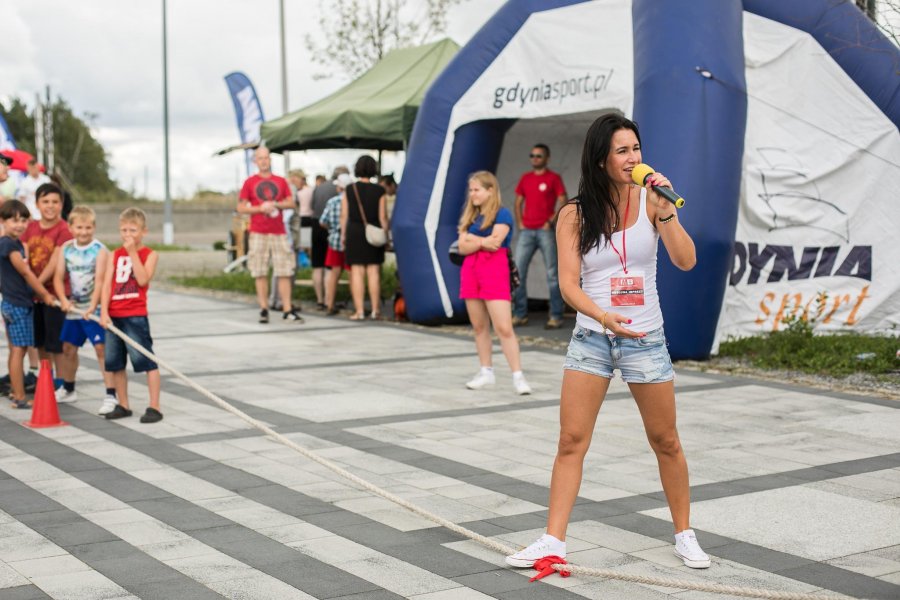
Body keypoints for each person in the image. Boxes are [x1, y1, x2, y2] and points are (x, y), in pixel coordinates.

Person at [505, 114, 707, 570]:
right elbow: (570, 285)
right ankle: (552, 539)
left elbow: (686, 260)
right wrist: (601, 316)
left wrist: (666, 208)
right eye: (622, 151)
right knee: (571, 440)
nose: (633, 158)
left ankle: (685, 534)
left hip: (645, 337)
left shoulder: (654, 201)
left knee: (666, 440)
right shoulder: (574, 214)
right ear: (600, 160)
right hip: (593, 336)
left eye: (636, 148)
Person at [456, 171, 532, 395]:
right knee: (479, 327)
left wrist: (472, 240)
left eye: (477, 189)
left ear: (490, 191)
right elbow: (462, 247)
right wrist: (481, 241)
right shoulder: (470, 216)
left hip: (494, 271)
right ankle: (486, 371)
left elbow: (495, 243)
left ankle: (518, 376)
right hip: (471, 271)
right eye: (471, 190)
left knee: (503, 328)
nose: (473, 194)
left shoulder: (503, 214)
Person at [100, 208, 163, 423]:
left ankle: (154, 406)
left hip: (135, 315)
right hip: (114, 315)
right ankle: (123, 404)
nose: (127, 234)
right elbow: (107, 284)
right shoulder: (114, 255)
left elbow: (143, 279)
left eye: (132, 230)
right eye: (123, 230)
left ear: (143, 231)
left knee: (146, 360)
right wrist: (104, 312)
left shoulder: (150, 254)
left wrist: (133, 252)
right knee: (115, 362)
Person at [52, 205, 117, 413]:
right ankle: (69, 389)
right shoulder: (66, 249)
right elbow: (58, 277)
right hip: (74, 308)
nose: (84, 232)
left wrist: (92, 306)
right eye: (79, 227)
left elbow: (100, 281)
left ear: (94, 227)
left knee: (101, 350)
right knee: (68, 348)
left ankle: (111, 394)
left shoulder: (100, 250)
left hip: (94, 309)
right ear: (70, 227)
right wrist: (63, 299)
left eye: (88, 228)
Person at [237, 147, 303, 323]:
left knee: (284, 270)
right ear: (255, 161)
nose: (264, 161)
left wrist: (275, 205)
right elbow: (241, 207)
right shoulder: (249, 182)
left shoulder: (281, 181)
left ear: (270, 160)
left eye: (266, 158)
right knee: (260, 270)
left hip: (278, 231)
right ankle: (264, 308)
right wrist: (259, 208)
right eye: (260, 158)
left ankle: (287, 309)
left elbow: (291, 203)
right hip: (258, 231)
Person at [0, 200, 55, 409]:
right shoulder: (8, 244)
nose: (19, 225)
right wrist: (44, 293)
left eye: (23, 220)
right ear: (3, 221)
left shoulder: (11, 243)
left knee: (16, 349)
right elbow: (24, 272)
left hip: (10, 303)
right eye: (14, 220)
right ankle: (20, 396)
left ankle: (16, 391)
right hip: (18, 305)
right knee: (19, 350)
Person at [21, 183, 72, 399]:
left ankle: (61, 383)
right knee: (40, 341)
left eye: (55, 202)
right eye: (45, 202)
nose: (50, 206)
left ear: (61, 205)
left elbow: (55, 261)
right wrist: (32, 288)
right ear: (37, 204)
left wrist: (37, 286)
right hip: (34, 295)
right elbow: (23, 254)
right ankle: (46, 378)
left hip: (54, 295)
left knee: (56, 343)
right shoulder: (30, 227)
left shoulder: (64, 229)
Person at [512, 143, 567, 330]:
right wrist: (519, 222)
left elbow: (563, 200)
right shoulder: (525, 178)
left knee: (552, 274)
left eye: (538, 155)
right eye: (532, 155)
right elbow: (518, 201)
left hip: (545, 231)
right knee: (517, 272)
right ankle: (520, 314)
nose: (535, 158)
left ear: (547, 158)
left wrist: (550, 221)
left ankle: (556, 315)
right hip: (526, 231)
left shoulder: (553, 178)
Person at [341, 155, 388, 320]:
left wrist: (343, 235)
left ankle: (359, 310)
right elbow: (383, 217)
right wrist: (386, 235)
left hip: (354, 231)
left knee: (357, 272)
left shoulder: (349, 189)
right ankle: (376, 310)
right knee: (374, 271)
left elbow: (344, 215)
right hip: (373, 231)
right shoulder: (380, 190)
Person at [311, 166, 349, 308]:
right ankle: (329, 301)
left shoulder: (319, 187)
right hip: (336, 232)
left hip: (317, 225)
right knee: (331, 268)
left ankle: (320, 300)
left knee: (317, 266)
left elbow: (312, 206)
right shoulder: (344, 193)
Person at [319, 173, 352, 315]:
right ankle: (357, 307)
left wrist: (332, 230)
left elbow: (322, 221)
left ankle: (330, 304)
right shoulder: (353, 200)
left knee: (333, 275)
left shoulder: (332, 202)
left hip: (334, 241)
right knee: (353, 275)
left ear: (339, 187)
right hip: (351, 241)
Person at [288, 169, 320, 308]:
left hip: (303, 220)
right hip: (308, 219)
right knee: (306, 245)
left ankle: (307, 258)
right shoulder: (311, 190)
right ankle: (308, 258)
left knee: (305, 244)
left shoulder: (301, 192)